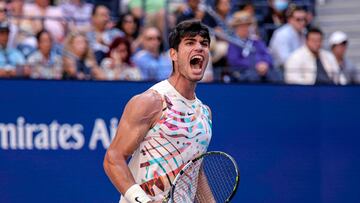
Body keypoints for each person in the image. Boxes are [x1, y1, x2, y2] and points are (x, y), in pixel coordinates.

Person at [104, 20, 213, 203]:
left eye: (204, 43)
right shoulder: (152, 101)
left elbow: (194, 170)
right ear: (173, 54)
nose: (199, 48)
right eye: (190, 42)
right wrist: (143, 201)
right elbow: (113, 159)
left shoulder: (205, 113)